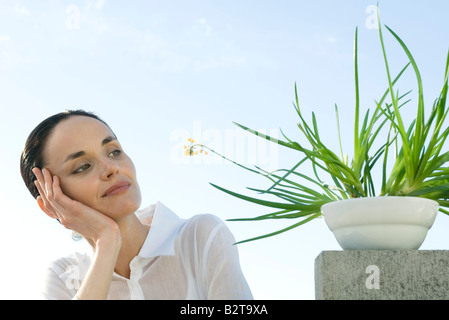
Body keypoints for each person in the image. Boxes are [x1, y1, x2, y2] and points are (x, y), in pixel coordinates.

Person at [20, 110, 253, 300]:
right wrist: (107, 242)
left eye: (113, 151)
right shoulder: (64, 278)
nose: (112, 168)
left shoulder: (200, 238)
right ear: (51, 204)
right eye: (82, 167)